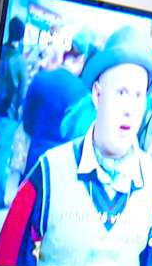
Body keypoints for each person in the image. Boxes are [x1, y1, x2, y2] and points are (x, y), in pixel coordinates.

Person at [0, 26, 152, 266]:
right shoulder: (49, 171)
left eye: (139, 95)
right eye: (121, 92)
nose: (130, 108)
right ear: (97, 94)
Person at [17, 26, 94, 178]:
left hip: (36, 156)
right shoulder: (84, 95)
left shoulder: (41, 79)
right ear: (81, 59)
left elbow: (27, 123)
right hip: (63, 166)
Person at [0, 15, 33, 209]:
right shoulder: (19, 60)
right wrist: (17, 111)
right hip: (8, 116)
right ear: (21, 35)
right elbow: (22, 92)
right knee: (2, 159)